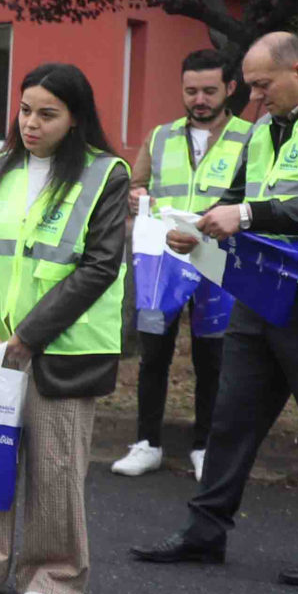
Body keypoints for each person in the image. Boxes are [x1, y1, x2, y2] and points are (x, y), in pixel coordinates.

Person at [134, 31, 298, 586]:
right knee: (232, 418)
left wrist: (248, 217)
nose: (255, 98)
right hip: (261, 290)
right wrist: (201, 228)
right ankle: (204, 531)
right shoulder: (265, 126)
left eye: (263, 85)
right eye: (253, 86)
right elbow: (235, 199)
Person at [0, 63, 132, 594]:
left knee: (55, 464)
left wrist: (30, 335)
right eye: (25, 110)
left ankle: (53, 576)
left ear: (75, 120)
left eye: (47, 114)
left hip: (64, 348)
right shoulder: (2, 168)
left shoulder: (105, 174)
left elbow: (99, 266)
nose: (31, 123)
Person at [114, 49, 251, 480]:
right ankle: (147, 443)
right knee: (154, 352)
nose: (199, 100)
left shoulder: (251, 137)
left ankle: (205, 445)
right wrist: (135, 198)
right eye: (191, 90)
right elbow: (135, 188)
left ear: (230, 88)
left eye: (209, 91)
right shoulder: (160, 137)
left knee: (214, 356)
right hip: (164, 260)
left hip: (220, 257)